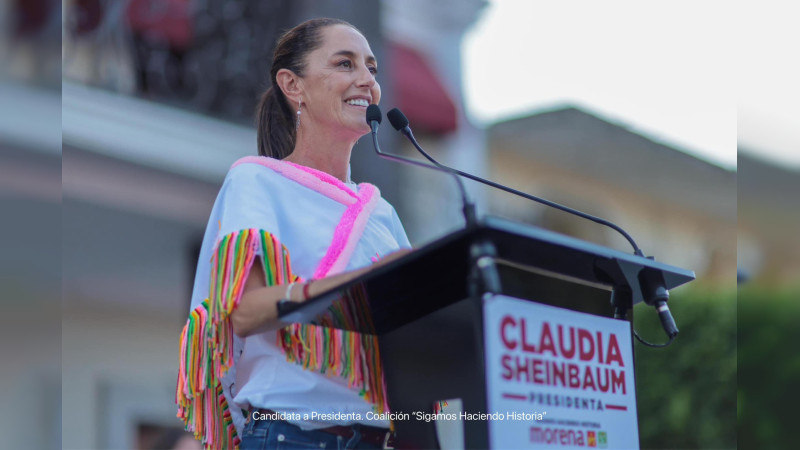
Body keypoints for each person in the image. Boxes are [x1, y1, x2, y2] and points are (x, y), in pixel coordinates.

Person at [175, 17, 411, 450]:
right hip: (291, 437)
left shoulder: (383, 214)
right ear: (293, 85)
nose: (366, 80)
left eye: (372, 69)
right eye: (345, 64)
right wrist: (364, 288)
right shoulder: (257, 180)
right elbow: (244, 312)